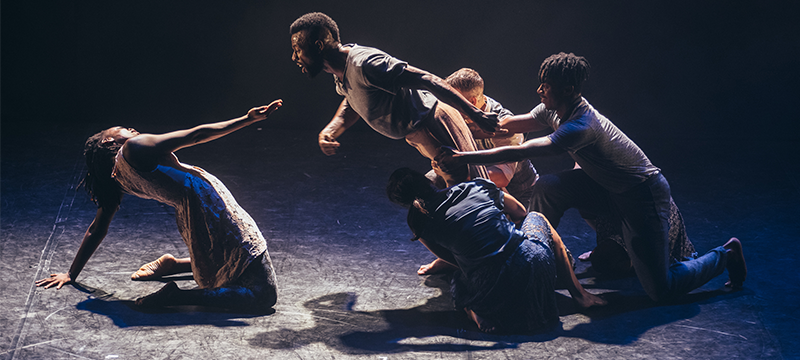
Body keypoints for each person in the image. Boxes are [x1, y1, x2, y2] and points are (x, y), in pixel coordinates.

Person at [438, 53, 746, 302]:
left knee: (660, 289)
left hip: (641, 196)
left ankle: (726, 254)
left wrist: (462, 158)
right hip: (603, 187)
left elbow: (520, 151)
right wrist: (452, 122)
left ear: (568, 90)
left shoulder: (581, 125)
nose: (539, 90)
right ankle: (531, 256)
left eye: (546, 85)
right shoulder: (551, 110)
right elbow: (505, 126)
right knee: (549, 187)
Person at [36, 100, 283, 311]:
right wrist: (247, 119)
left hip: (192, 216)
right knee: (264, 295)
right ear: (108, 142)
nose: (131, 129)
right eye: (123, 129)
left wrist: (72, 274)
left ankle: (174, 265)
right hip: (212, 206)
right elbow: (196, 135)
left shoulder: (117, 178)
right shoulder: (134, 148)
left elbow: (97, 228)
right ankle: (177, 296)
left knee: (231, 271)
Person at [290, 12, 501, 187]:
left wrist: (475, 114)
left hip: (433, 123)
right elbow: (353, 99)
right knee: (456, 189)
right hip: (419, 133)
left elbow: (426, 79)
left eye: (297, 50)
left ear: (319, 46)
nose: (294, 57)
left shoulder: (366, 64)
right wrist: (331, 130)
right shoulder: (340, 73)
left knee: (471, 188)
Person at [387, 167, 606, 333]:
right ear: (426, 181)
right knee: (536, 217)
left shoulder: (419, 221)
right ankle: (580, 296)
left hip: (489, 287)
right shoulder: (475, 186)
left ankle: (476, 313)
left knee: (460, 281)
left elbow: (454, 258)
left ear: (404, 202)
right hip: (534, 264)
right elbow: (521, 212)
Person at [444, 68, 538, 207]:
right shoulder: (461, 112)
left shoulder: (507, 125)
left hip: (520, 194)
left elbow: (501, 177)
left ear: (472, 101)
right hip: (482, 188)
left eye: (454, 101)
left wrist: (458, 175)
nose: (448, 105)